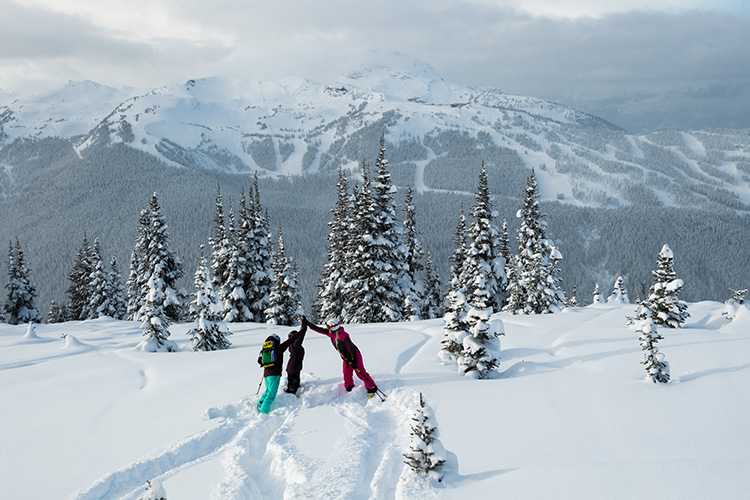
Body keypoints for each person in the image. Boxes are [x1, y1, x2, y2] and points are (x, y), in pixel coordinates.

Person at [303, 316, 378, 396]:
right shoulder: (332, 334)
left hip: (355, 355)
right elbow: (320, 330)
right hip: (346, 357)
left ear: (334, 327)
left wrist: (353, 359)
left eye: (329, 327)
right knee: (346, 372)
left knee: (360, 373)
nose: (327, 328)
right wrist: (308, 324)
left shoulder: (344, 335)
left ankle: (372, 387)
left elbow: (351, 347)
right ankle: (349, 386)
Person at [257, 327, 303, 414]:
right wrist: (301, 331)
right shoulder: (279, 348)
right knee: (271, 395)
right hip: (275, 374)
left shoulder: (264, 349)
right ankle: (264, 413)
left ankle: (260, 405)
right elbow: (291, 340)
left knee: (267, 391)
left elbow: (259, 361)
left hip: (266, 374)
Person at [284, 321, 308, 394]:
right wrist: (304, 325)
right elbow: (301, 335)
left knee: (295, 385)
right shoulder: (295, 345)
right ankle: (291, 399)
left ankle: (292, 394)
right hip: (293, 369)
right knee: (292, 389)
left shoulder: (295, 345)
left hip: (295, 368)